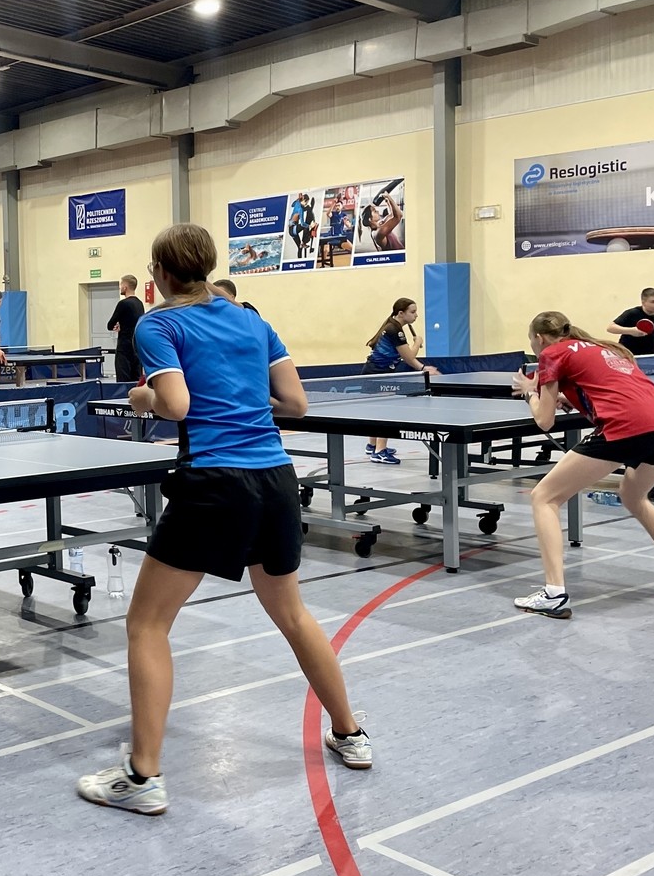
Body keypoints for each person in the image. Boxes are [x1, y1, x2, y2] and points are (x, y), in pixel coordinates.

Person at [76, 223, 370, 816]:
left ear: (159, 273)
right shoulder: (252, 321)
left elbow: (175, 404)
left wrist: (141, 399)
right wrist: (240, 399)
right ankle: (350, 733)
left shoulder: (159, 324)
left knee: (146, 625)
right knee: (292, 613)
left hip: (214, 483)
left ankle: (142, 776)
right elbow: (296, 404)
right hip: (275, 480)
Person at [510, 311, 654, 618]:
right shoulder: (604, 347)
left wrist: (529, 393)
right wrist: (570, 398)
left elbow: (545, 420)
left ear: (539, 338)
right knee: (634, 497)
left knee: (544, 497)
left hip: (627, 426)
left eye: (532, 341)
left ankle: (553, 594)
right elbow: (611, 388)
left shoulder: (552, 353)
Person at [360, 298, 437, 465]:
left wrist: (419, 361)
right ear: (401, 313)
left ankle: (372, 446)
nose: (416, 315)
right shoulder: (395, 330)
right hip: (377, 375)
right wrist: (419, 350)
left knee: (377, 411)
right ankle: (379, 452)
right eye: (413, 312)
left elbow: (407, 356)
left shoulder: (392, 327)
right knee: (385, 411)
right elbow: (409, 357)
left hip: (373, 373)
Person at [608, 288, 654, 359]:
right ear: (643, 302)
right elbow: (610, 328)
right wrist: (631, 331)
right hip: (627, 355)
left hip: (649, 355)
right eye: (653, 302)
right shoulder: (632, 313)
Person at [108, 274, 145, 383]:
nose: (120, 287)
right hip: (136, 348)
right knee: (136, 381)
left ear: (125, 287)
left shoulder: (123, 304)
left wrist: (117, 325)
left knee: (123, 382)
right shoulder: (139, 304)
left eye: (121, 285)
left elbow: (110, 325)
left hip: (124, 348)